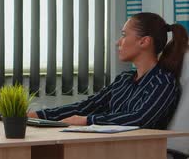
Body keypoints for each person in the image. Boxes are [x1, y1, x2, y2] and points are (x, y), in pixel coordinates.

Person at [27, 12, 186, 129]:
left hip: (140, 153)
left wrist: (88, 120)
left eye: (124, 35)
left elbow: (139, 119)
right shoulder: (124, 79)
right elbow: (86, 106)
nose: (118, 42)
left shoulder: (163, 83)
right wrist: (37, 115)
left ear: (144, 42)